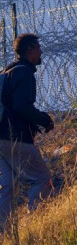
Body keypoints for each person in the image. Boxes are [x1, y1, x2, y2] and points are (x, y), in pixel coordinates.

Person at [0, 34, 54, 228]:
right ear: (30, 49)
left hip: (1, 137)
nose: (41, 52)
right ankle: (35, 226)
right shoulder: (24, 73)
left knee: (9, 185)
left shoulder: (7, 71)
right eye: (38, 48)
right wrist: (44, 119)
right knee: (41, 178)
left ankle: (3, 234)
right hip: (15, 137)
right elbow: (22, 106)